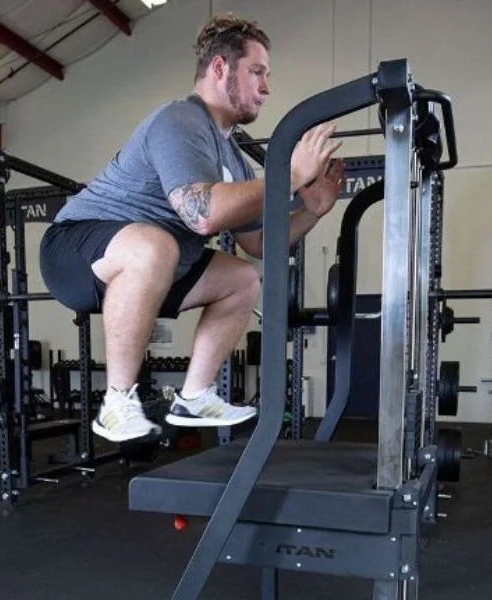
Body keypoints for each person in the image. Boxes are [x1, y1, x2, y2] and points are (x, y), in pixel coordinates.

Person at [39, 13, 345, 443]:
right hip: (74, 248)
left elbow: (258, 243)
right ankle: (116, 403)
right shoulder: (179, 120)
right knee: (156, 247)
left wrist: (311, 211)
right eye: (256, 72)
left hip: (155, 259)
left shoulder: (233, 157)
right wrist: (290, 178)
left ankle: (195, 396)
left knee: (241, 278)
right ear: (220, 69)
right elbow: (201, 214)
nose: (266, 87)